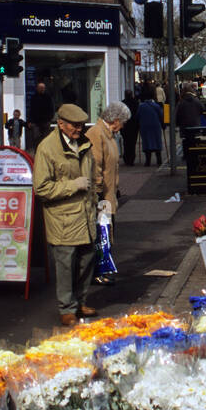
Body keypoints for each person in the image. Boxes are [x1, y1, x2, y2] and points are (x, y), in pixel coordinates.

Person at [33, 104, 104, 327]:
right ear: (61, 124)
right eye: (74, 125)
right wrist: (73, 185)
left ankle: (80, 303)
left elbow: (91, 178)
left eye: (81, 125)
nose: (79, 129)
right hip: (63, 219)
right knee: (65, 266)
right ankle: (66, 309)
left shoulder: (83, 143)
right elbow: (41, 189)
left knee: (86, 262)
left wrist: (97, 202)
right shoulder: (47, 148)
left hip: (85, 215)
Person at [87, 102, 129, 285]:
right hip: (102, 196)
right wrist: (98, 194)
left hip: (109, 195)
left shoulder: (109, 135)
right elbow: (95, 166)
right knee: (101, 235)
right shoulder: (97, 134)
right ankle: (98, 272)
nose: (123, 126)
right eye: (123, 122)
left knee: (106, 233)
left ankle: (103, 269)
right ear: (116, 120)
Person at [136, 96, 164, 166]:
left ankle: (148, 161)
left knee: (147, 142)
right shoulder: (156, 106)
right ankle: (159, 160)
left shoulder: (141, 107)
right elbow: (161, 116)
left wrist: (138, 125)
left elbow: (137, 116)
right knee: (157, 142)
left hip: (145, 127)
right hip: (155, 126)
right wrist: (163, 125)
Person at [27, 81, 54, 152]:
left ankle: (45, 151)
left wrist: (49, 118)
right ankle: (37, 151)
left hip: (45, 121)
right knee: (36, 138)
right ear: (37, 88)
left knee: (46, 138)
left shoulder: (48, 97)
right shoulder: (34, 97)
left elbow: (51, 108)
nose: (42, 89)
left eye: (43, 88)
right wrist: (30, 121)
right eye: (40, 88)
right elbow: (31, 109)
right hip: (36, 122)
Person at [120, 90, 140, 165]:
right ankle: (131, 159)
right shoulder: (136, 102)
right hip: (133, 125)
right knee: (132, 143)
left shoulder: (123, 103)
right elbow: (138, 114)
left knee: (126, 143)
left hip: (125, 126)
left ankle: (127, 158)